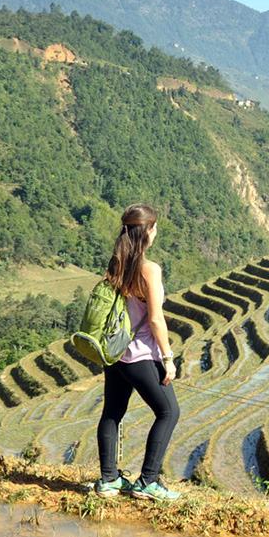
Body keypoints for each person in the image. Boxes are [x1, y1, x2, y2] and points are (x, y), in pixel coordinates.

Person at [93, 203, 181, 500]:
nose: (156, 232)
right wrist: (168, 358)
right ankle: (148, 481)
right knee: (168, 411)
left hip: (115, 353)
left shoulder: (117, 264)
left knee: (112, 413)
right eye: (155, 227)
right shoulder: (149, 269)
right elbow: (156, 318)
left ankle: (108, 481)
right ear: (148, 232)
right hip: (141, 354)